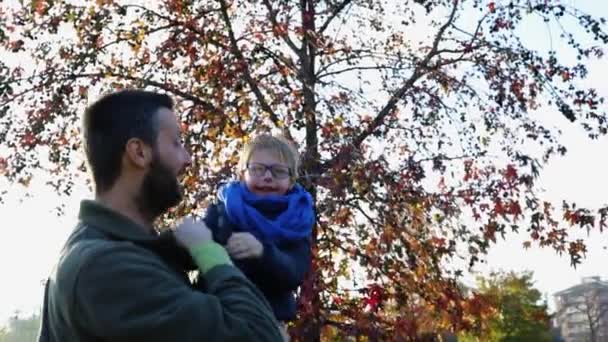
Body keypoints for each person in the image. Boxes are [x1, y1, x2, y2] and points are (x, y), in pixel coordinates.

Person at [37, 90, 283, 342]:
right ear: (139, 152)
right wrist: (209, 253)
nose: (187, 159)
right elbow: (259, 336)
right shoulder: (104, 266)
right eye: (176, 143)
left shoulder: (117, 253)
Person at [204, 134, 315, 338]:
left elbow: (294, 272)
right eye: (257, 169)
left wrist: (263, 252)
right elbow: (190, 254)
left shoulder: (298, 221)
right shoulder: (222, 212)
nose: (267, 177)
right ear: (242, 174)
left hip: (268, 324)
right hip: (216, 319)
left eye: (279, 171)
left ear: (291, 180)